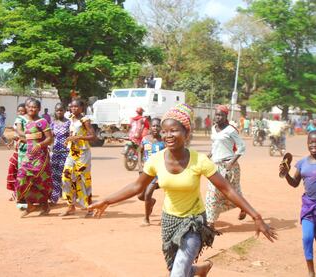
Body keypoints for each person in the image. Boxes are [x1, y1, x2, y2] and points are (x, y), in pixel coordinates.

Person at [88, 103, 277, 276]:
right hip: (169, 221)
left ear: (186, 134)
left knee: (178, 273)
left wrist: (256, 217)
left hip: (193, 222)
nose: (168, 135)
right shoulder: (156, 160)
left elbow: (226, 189)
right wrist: (107, 201)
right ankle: (201, 269)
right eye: (164, 131)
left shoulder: (199, 160)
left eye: (174, 130)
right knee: (176, 269)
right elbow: (137, 186)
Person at [280, 131, 316, 277]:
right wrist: (286, 173)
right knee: (307, 238)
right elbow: (295, 183)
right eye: (311, 142)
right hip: (308, 207)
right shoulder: (302, 163)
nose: (314, 145)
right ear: (307, 143)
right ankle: (311, 271)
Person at [205, 105, 247, 229]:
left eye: (220, 115)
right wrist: (209, 155)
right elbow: (215, 145)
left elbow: (242, 147)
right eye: (216, 114)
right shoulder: (213, 128)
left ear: (225, 116)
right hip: (215, 166)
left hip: (230, 166)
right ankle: (210, 223)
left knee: (233, 192)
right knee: (212, 194)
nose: (218, 117)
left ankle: (243, 207)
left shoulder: (230, 130)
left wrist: (231, 163)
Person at [16, 98, 53, 217]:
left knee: (40, 182)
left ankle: (45, 205)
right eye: (30, 107)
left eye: (34, 107)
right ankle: (29, 205)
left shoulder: (42, 122)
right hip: (28, 156)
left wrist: (40, 144)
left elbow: (50, 139)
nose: (32, 109)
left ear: (39, 109)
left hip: (41, 157)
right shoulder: (25, 122)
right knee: (21, 179)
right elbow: (26, 137)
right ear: (26, 107)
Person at [61, 99, 96, 216]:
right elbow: (72, 134)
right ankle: (70, 206)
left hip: (83, 153)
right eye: (72, 107)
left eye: (76, 107)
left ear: (82, 108)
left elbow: (93, 136)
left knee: (83, 179)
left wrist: (79, 138)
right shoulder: (71, 118)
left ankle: (89, 208)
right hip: (72, 152)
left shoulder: (84, 120)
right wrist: (69, 140)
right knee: (66, 177)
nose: (73, 109)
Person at [137, 117, 165, 226]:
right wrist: (140, 166)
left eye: (158, 126)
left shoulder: (164, 141)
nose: (155, 128)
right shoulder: (145, 139)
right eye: (153, 125)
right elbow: (139, 151)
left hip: (158, 173)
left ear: (161, 128)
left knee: (148, 194)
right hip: (145, 172)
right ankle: (151, 202)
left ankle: (146, 218)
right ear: (150, 126)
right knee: (140, 196)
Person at [50, 103, 71, 204]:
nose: (59, 112)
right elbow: (50, 136)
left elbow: (71, 136)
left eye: (61, 110)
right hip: (54, 152)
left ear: (64, 111)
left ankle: (67, 195)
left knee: (64, 174)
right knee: (54, 174)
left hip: (65, 152)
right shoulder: (53, 123)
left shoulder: (68, 123)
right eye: (57, 110)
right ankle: (55, 197)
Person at [6, 104, 26, 201]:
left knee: (21, 173)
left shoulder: (27, 122)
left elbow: (25, 136)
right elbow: (16, 134)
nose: (21, 113)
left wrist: (18, 138)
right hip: (17, 150)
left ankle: (20, 193)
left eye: (23, 111)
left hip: (24, 150)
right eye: (19, 111)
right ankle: (15, 192)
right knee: (13, 170)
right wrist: (11, 142)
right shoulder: (17, 121)